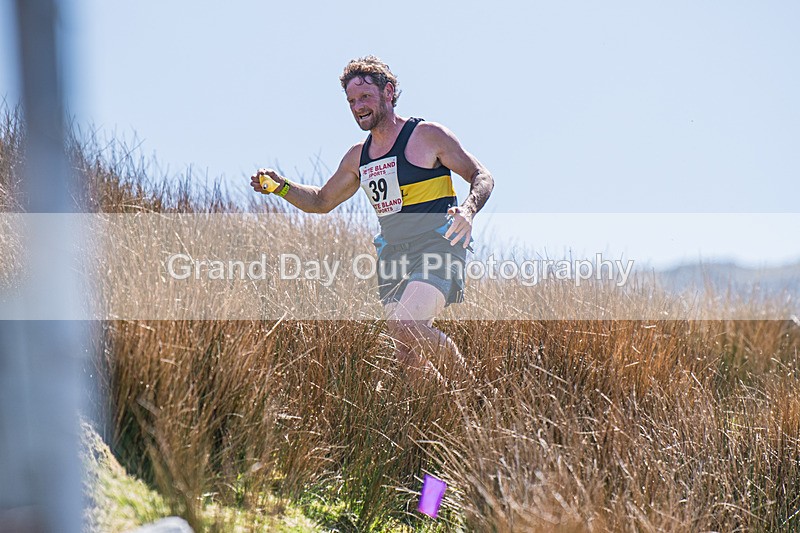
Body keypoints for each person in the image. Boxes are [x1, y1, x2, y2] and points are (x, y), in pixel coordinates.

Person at [250, 55, 493, 387]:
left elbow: (482, 175)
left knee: (408, 324)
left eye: (364, 97)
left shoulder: (427, 135)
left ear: (388, 92)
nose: (357, 106)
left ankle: (475, 392)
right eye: (351, 101)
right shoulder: (357, 157)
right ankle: (450, 412)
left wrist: (468, 210)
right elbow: (321, 201)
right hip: (394, 255)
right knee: (405, 350)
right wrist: (282, 187)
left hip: (439, 244)